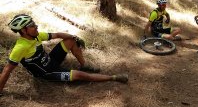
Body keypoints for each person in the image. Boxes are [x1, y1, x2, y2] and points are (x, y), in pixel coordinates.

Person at [0, 14, 128, 96]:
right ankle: (113, 77)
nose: (36, 26)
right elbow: (6, 71)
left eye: (34, 24)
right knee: (80, 75)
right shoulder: (20, 48)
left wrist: (75, 37)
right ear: (24, 30)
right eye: (32, 26)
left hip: (50, 60)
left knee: (70, 41)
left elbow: (57, 35)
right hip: (47, 73)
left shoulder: (36, 36)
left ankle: (84, 65)